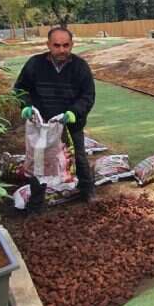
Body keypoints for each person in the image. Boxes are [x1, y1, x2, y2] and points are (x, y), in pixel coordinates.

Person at [14, 27, 97, 202]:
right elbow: (20, 88)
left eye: (66, 45)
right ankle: (36, 201)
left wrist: (74, 112)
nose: (62, 50)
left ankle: (87, 191)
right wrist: (26, 106)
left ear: (72, 45)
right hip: (42, 125)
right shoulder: (35, 64)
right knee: (39, 162)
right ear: (48, 45)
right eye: (57, 45)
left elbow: (88, 95)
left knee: (79, 156)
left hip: (71, 122)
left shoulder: (80, 67)